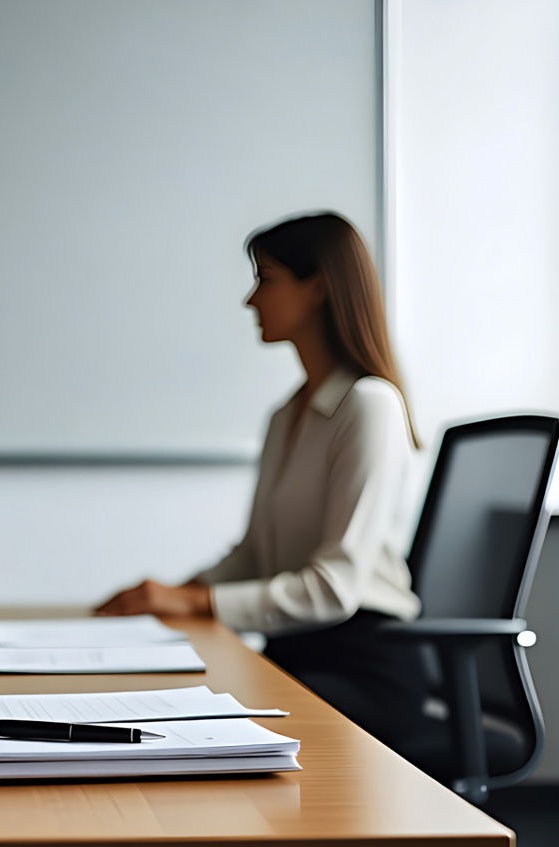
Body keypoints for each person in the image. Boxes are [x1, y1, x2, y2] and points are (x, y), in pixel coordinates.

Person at [97, 212, 428, 746]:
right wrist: (175, 592)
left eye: (266, 279)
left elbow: (334, 589)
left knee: (199, 727)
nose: (251, 300)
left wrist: (196, 603)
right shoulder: (286, 415)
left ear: (318, 286)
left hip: (363, 669)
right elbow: (255, 554)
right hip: (295, 654)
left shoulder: (369, 405)